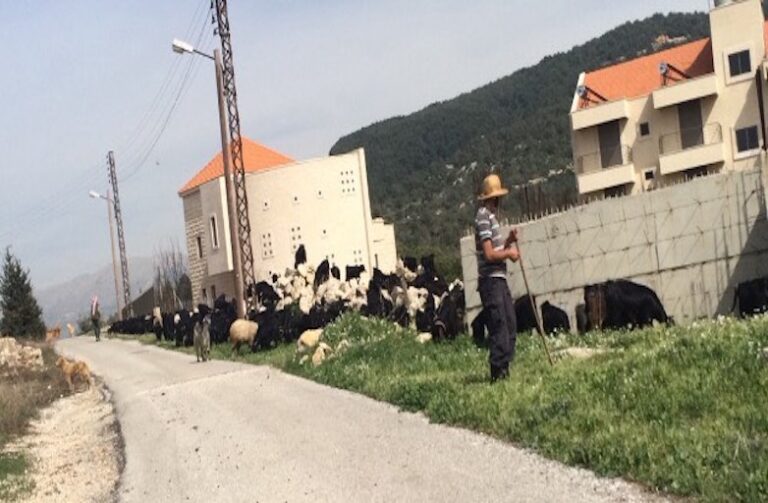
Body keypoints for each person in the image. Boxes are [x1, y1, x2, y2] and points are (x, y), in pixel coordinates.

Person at [475, 173, 520, 382]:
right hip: (491, 281)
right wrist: (509, 254)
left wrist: (508, 242)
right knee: (499, 325)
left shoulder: (492, 218)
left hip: (499, 279)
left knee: (510, 324)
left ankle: (505, 370)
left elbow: (497, 250)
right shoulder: (483, 216)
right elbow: (490, 254)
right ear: (494, 198)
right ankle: (497, 374)